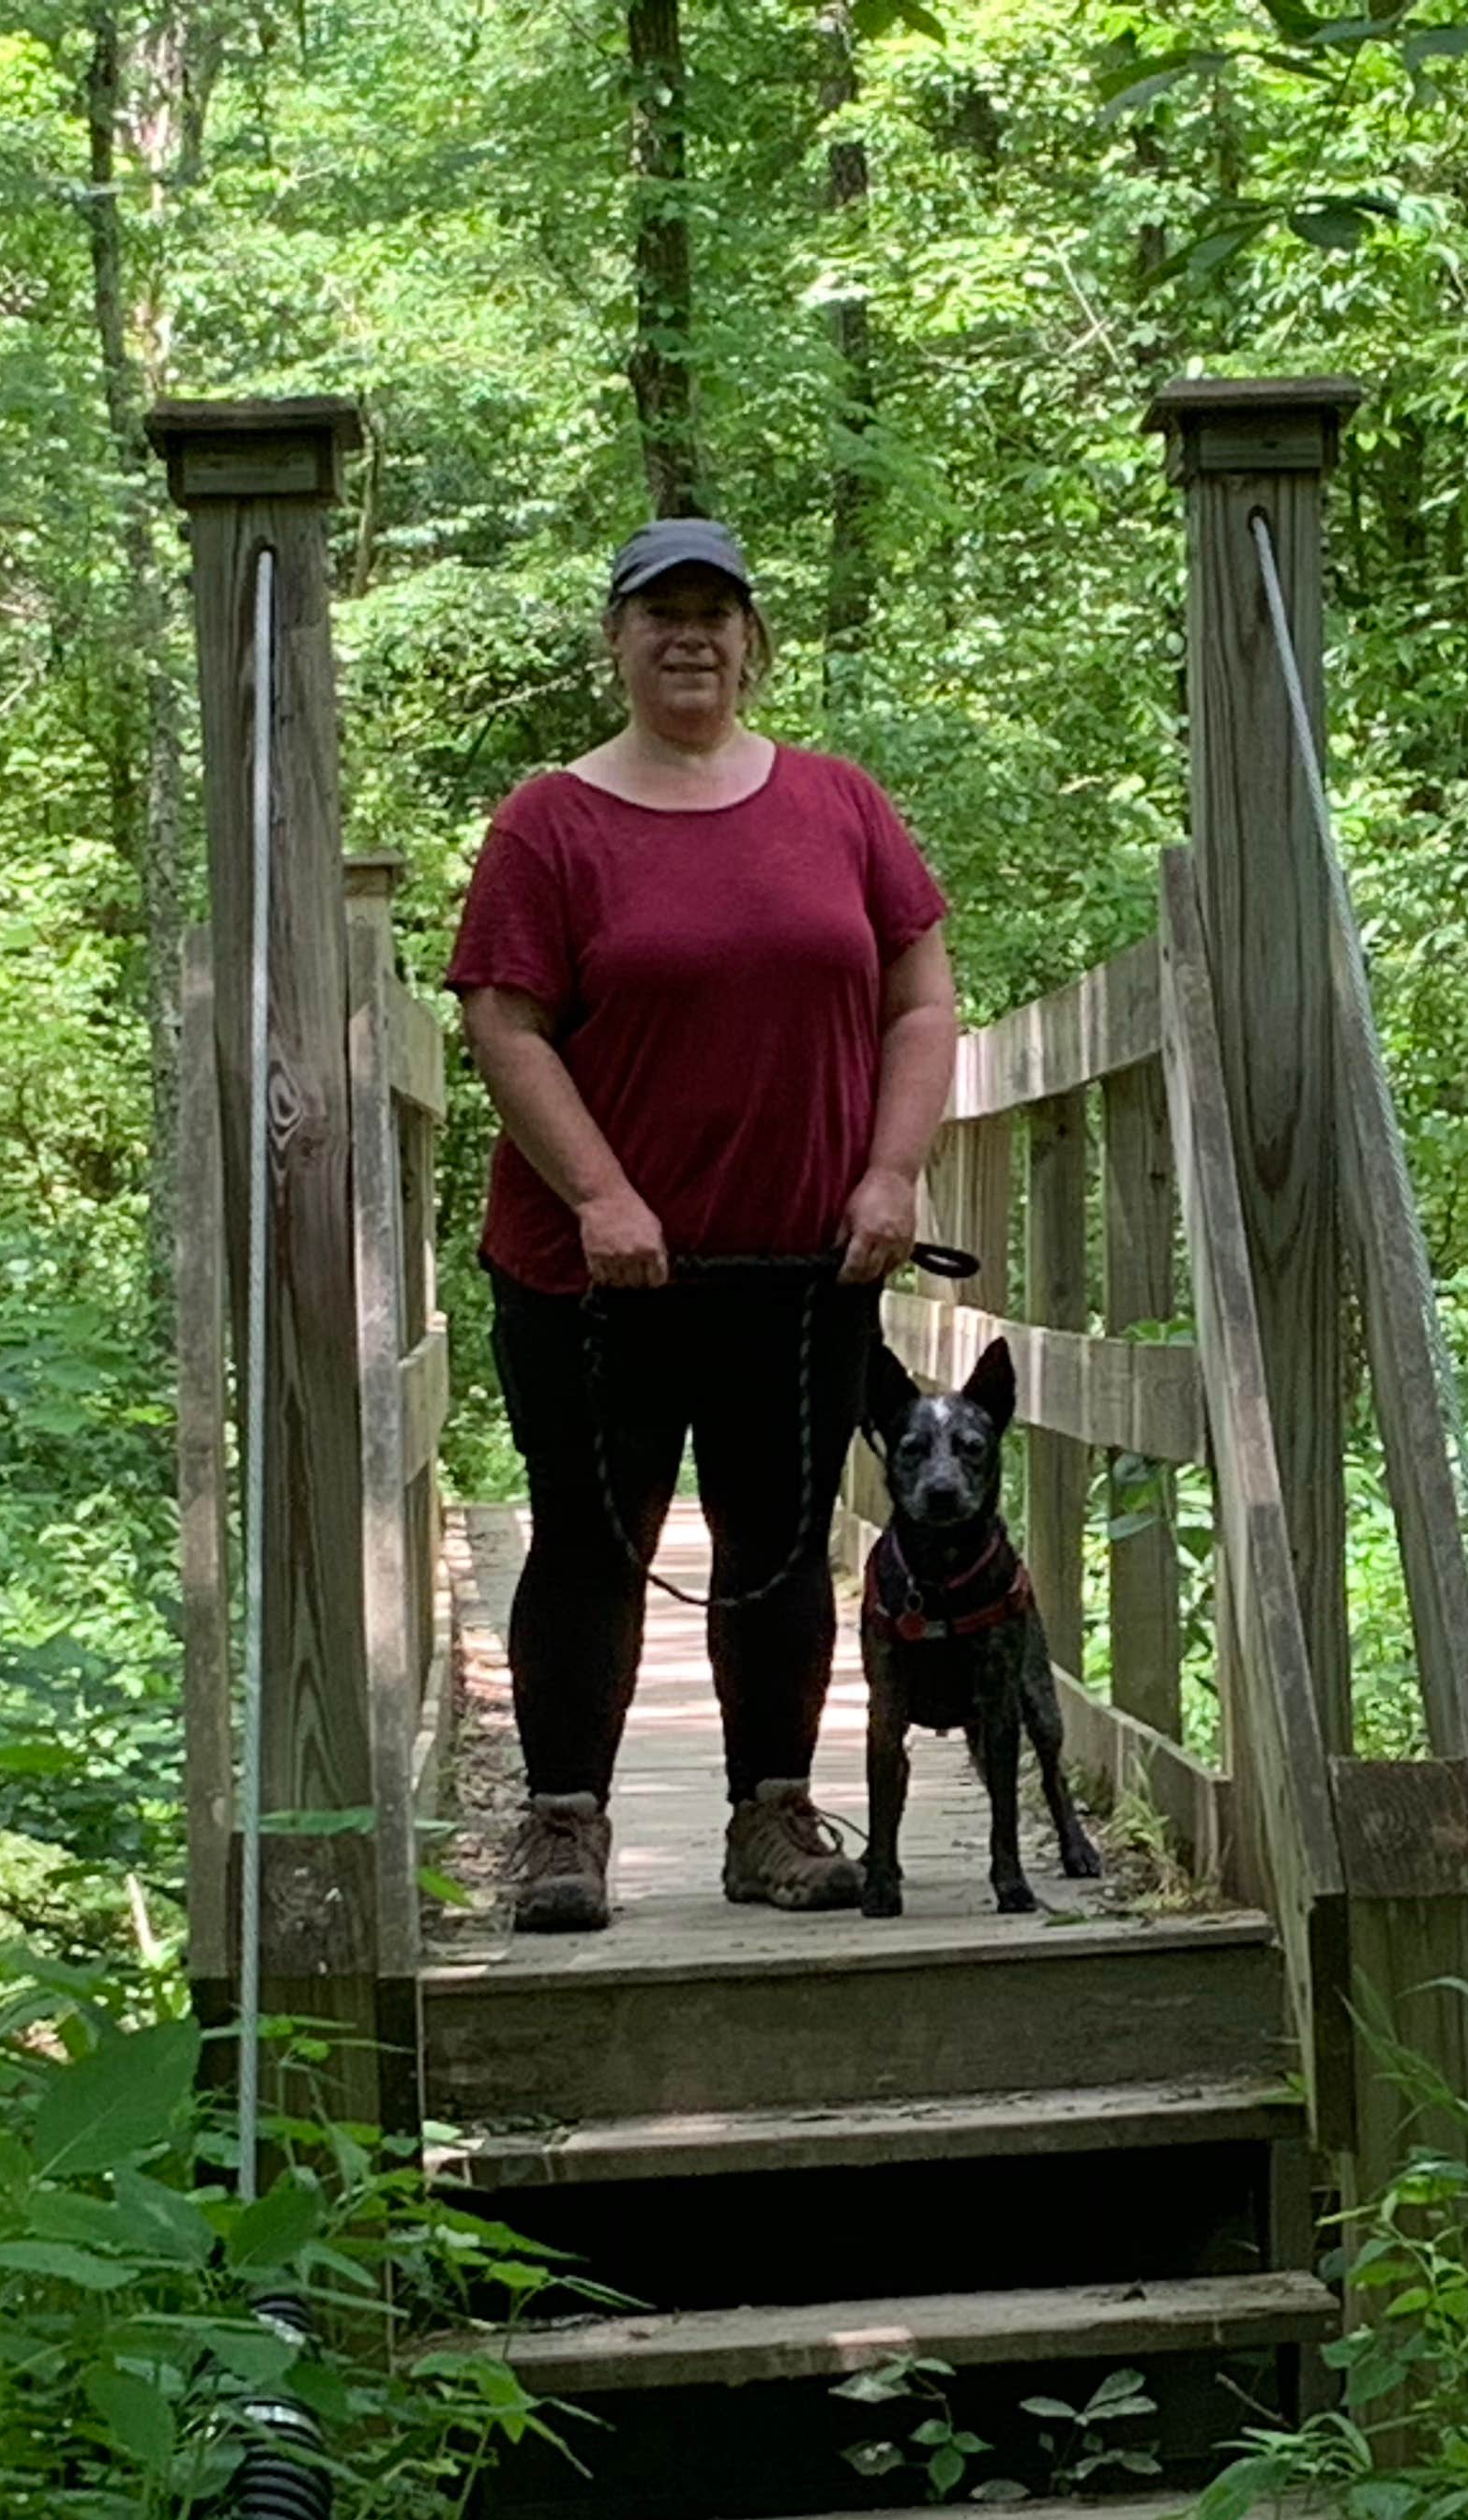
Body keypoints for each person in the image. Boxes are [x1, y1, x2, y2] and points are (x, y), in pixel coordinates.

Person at [447, 515, 960, 1930]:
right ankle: (565, 1825)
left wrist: (893, 1172)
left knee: (780, 1538)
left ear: (751, 641)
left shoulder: (840, 805)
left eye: (715, 612)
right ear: (616, 640)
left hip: (802, 1267)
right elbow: (504, 1020)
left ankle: (771, 1816)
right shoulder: (550, 822)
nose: (690, 636)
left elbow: (920, 1000)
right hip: (593, 1277)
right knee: (587, 1538)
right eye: (660, 612)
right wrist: (601, 1194)